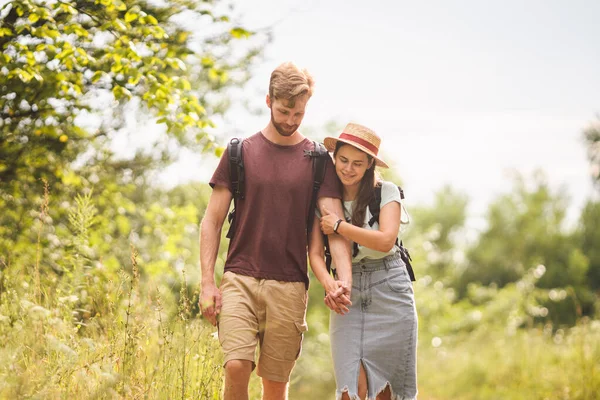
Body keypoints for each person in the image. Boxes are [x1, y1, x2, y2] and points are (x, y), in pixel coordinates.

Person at [199, 62, 353, 400]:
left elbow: (334, 225)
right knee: (236, 366)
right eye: (284, 111)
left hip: (290, 284)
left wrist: (342, 280)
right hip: (239, 277)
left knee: (275, 383)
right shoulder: (239, 152)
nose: (291, 120)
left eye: (298, 113)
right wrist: (207, 282)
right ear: (268, 101)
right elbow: (211, 221)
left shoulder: (317, 159)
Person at [308, 122, 418, 400]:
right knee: (349, 389)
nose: (348, 168)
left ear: (370, 164)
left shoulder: (387, 192)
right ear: (334, 158)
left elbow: (385, 240)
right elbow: (315, 254)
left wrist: (339, 226)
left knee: (387, 392)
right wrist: (329, 284)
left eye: (358, 163)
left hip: (390, 287)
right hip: (349, 291)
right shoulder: (324, 199)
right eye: (343, 160)